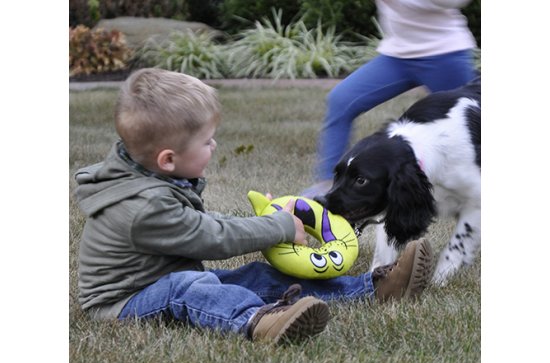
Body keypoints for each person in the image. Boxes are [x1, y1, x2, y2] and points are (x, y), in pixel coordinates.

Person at [74, 68, 435, 344]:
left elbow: (198, 223)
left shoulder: (151, 178)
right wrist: (277, 226)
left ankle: (370, 290)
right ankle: (259, 321)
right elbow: (209, 237)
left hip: (158, 280)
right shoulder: (142, 205)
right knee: (188, 287)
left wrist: (263, 222)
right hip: (124, 304)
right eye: (206, 141)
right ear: (167, 159)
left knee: (254, 276)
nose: (214, 146)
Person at [301, 0, 479, 198]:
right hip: (397, 57)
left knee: (476, 125)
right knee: (341, 100)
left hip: (444, 54)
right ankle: (327, 184)